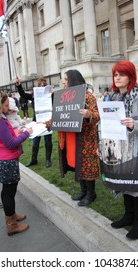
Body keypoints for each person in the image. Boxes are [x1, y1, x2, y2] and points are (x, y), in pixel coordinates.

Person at [108, 60, 138, 239]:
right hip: (119, 148)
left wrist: (134, 124)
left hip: (137, 149)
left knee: (137, 184)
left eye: (122, 74)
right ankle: (128, 216)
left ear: (131, 76)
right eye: (115, 74)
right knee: (124, 182)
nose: (118, 77)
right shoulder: (113, 98)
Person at [0, 90, 33, 236]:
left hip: (0, 159)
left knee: (7, 191)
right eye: (6, 105)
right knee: (9, 193)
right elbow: (10, 143)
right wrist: (26, 133)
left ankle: (12, 216)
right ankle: (12, 225)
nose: (8, 108)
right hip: (6, 161)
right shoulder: (0, 122)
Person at [58, 69, 100, 206]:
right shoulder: (64, 96)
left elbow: (97, 115)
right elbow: (60, 114)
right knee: (78, 164)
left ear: (73, 80)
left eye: (66, 79)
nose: (63, 82)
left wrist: (89, 114)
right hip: (72, 137)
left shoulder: (88, 96)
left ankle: (91, 194)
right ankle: (83, 191)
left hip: (85, 139)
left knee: (86, 165)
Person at [15, 77, 53, 168]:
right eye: (40, 85)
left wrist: (53, 93)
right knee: (35, 141)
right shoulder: (34, 96)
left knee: (48, 141)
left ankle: (48, 160)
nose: (42, 87)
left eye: (44, 85)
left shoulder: (50, 95)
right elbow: (23, 94)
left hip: (47, 120)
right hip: (37, 121)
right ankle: (34, 159)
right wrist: (18, 85)